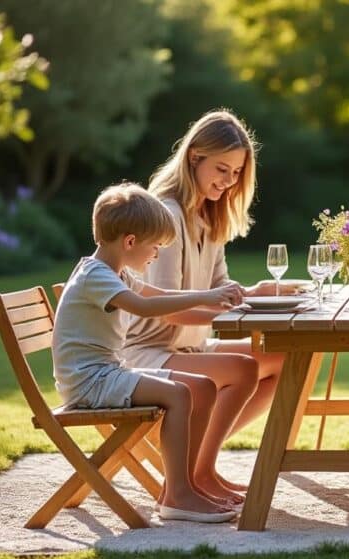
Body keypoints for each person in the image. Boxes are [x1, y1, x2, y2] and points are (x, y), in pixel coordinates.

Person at [53, 183, 258, 523]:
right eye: (155, 247)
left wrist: (210, 298)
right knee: (179, 394)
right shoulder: (95, 276)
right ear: (130, 242)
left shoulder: (116, 273)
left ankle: (187, 486)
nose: (157, 255)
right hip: (90, 381)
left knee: (202, 386)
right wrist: (204, 297)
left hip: (108, 373)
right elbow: (145, 307)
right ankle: (178, 495)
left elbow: (158, 295)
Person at [123, 109, 288, 505]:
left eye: (237, 173)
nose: (229, 181)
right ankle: (198, 471)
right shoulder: (167, 215)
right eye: (222, 169)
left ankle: (197, 460)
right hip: (148, 351)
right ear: (194, 157)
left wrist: (255, 293)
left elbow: (218, 288)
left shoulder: (207, 216)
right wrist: (230, 308)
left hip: (189, 345)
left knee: (284, 358)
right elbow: (166, 307)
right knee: (242, 368)